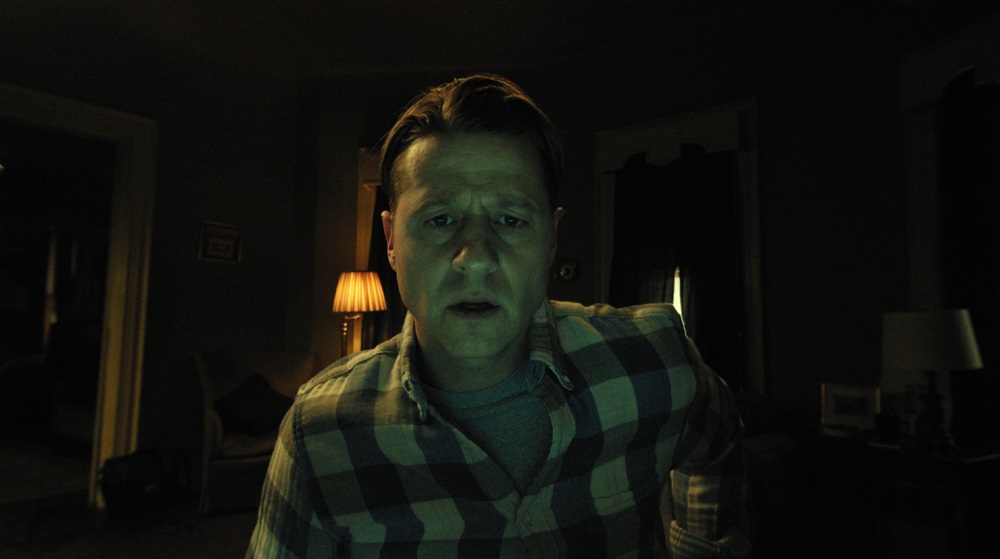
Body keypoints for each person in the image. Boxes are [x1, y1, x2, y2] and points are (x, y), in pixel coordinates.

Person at [246, 74, 748, 558]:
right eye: (440, 219)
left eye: (510, 219)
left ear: (550, 240)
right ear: (391, 241)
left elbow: (720, 446)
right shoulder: (321, 435)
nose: (476, 258)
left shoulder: (656, 361)